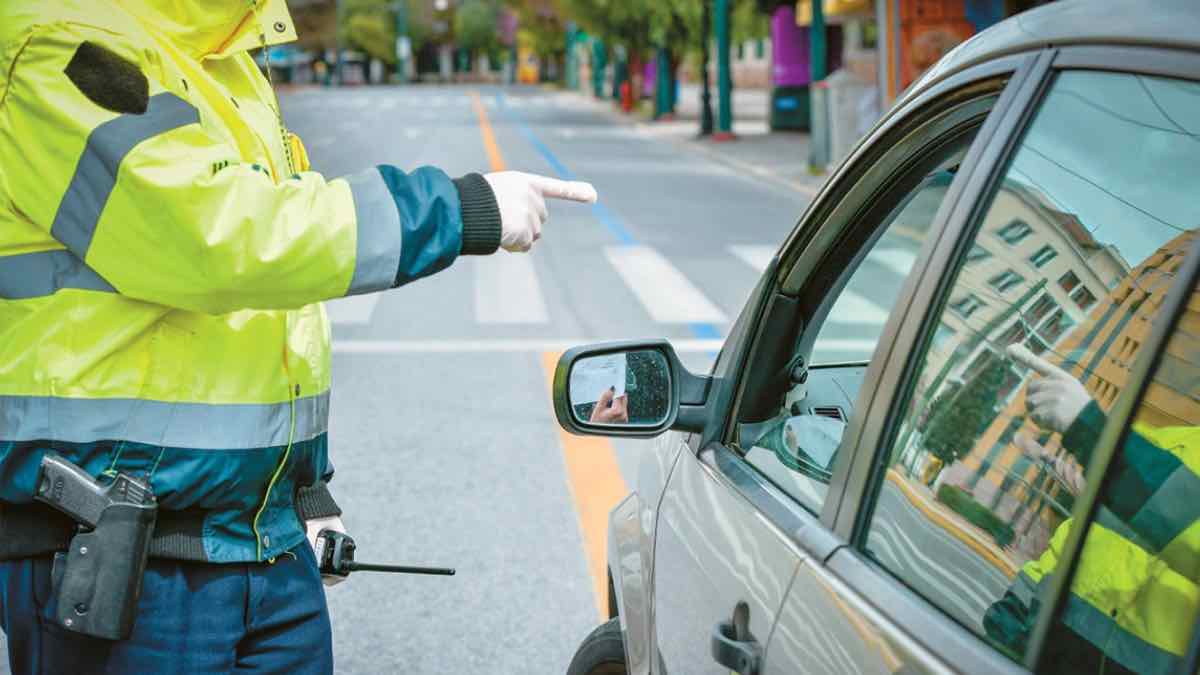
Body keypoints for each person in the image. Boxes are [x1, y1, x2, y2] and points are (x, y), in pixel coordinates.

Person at [0, 1, 596, 673]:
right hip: (118, 560)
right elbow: (222, 240)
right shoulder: (56, 41)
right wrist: (458, 208)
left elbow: (281, 308)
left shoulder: (225, 59)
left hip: (263, 546)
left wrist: (303, 491)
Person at [983, 345, 1200, 675]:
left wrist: (1089, 430)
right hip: (1042, 647)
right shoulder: (1165, 443)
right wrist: (1023, 600)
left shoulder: (1140, 456)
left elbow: (1187, 524)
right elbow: (1084, 532)